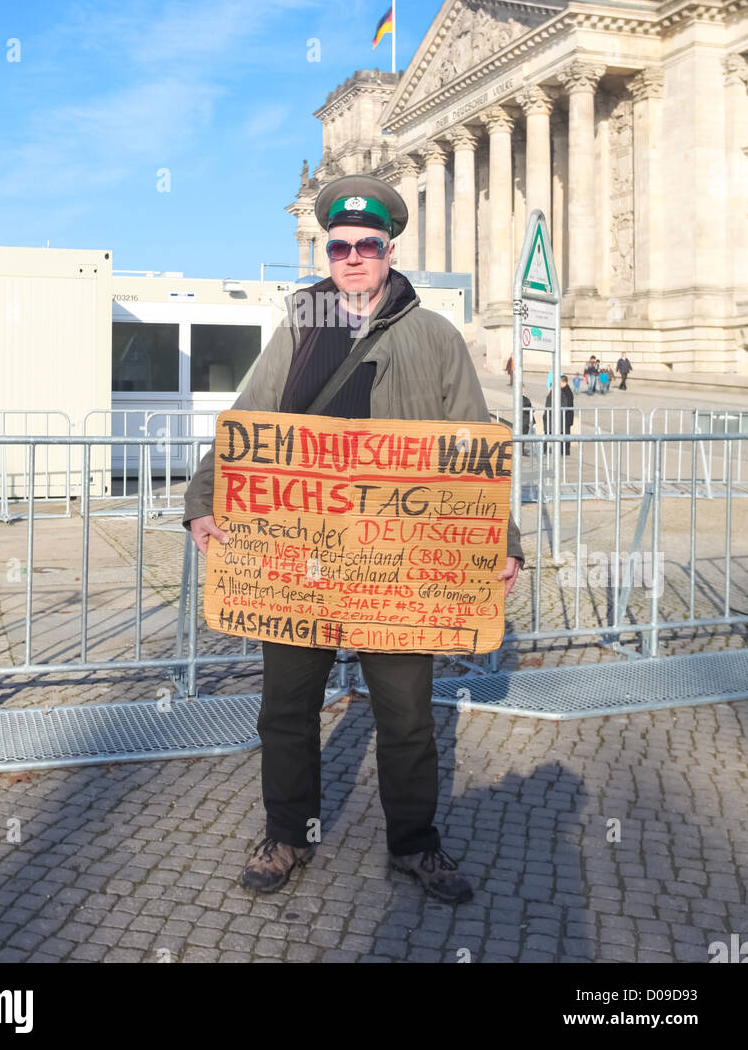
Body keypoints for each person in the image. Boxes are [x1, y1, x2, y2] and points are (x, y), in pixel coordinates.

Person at [183, 175, 524, 905]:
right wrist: (201, 501)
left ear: (389, 250)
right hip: (296, 558)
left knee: (404, 715)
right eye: (341, 247)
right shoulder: (300, 329)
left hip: (398, 560)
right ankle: (286, 834)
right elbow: (248, 425)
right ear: (329, 252)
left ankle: (415, 844)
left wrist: (504, 540)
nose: (354, 257)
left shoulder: (433, 335)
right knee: (286, 709)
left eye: (368, 245)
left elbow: (475, 444)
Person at [544, 374, 575, 456]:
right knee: (563, 434)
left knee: (566, 434)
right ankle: (563, 451)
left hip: (566, 417)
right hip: (564, 417)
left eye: (559, 382)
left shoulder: (566, 391)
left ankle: (565, 451)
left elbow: (567, 405)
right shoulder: (564, 390)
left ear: (563, 382)